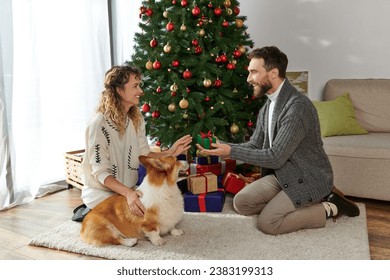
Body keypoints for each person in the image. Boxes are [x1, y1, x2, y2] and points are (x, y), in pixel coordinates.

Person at [197, 46, 359, 235]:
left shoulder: (297, 108)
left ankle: (331, 206)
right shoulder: (269, 105)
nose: (249, 79)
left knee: (269, 223)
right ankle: (291, 204)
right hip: (283, 175)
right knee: (241, 203)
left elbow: (275, 158)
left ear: (273, 73)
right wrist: (223, 147)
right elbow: (255, 145)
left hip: (309, 178)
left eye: (254, 72)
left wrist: (230, 152)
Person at [77, 65, 192, 220]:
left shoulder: (135, 120)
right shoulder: (99, 124)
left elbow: (145, 155)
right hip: (102, 193)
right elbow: (100, 172)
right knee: (138, 222)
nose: (141, 92)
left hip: (129, 190)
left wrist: (170, 152)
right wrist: (128, 194)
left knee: (161, 212)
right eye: (135, 86)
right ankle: (91, 212)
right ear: (119, 90)